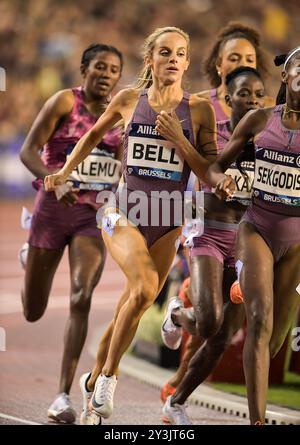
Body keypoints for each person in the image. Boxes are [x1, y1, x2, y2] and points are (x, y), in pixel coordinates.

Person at [44, 26, 217, 425]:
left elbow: (209, 172)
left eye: (180, 53)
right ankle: (106, 380)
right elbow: (90, 136)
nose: (173, 59)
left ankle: (88, 381)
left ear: (187, 62)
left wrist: (181, 139)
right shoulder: (128, 100)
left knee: (134, 303)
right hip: (124, 210)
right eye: (165, 52)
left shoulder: (199, 110)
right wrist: (64, 171)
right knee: (141, 289)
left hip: (169, 219)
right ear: (150, 60)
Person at [160, 21, 274, 402]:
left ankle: (177, 392)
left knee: (219, 328)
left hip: (246, 231)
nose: (242, 62)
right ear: (219, 65)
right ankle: (176, 371)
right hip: (200, 218)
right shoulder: (199, 105)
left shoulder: (264, 113)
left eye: (249, 58)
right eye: (234, 58)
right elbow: (199, 167)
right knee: (208, 319)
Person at [19, 43, 123, 423]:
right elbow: (28, 150)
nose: (107, 75)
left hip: (92, 218)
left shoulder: (121, 117)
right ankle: (29, 257)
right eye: (100, 67)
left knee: (82, 295)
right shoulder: (64, 102)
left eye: (114, 70)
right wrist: (53, 180)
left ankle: (63, 394)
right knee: (32, 311)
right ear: (84, 69)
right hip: (51, 212)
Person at [205, 47, 300, 425]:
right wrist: (221, 182)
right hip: (256, 227)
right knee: (259, 323)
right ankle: (256, 421)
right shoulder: (260, 120)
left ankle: (241, 286)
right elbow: (215, 167)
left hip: (296, 243)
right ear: (285, 75)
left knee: (274, 341)